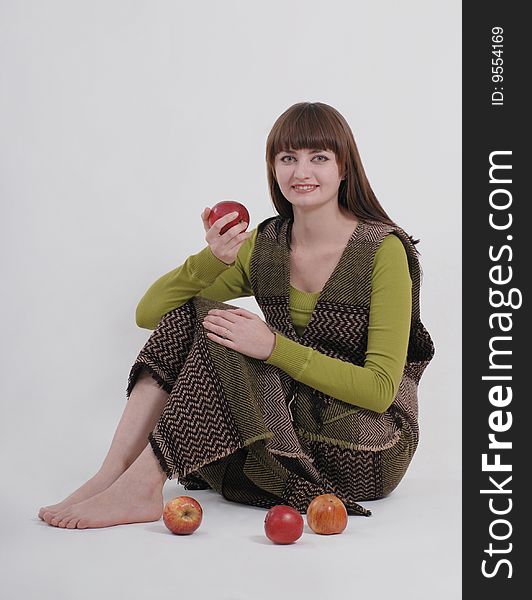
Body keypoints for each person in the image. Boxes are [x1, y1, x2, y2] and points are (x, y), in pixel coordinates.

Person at [38, 102, 434, 529]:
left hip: (364, 445)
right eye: (288, 158)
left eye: (319, 157)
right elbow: (151, 312)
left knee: (224, 332)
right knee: (197, 316)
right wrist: (211, 260)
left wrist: (273, 347)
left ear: (344, 169)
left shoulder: (383, 251)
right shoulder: (267, 245)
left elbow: (379, 390)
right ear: (273, 169)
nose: (302, 172)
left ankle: (141, 486)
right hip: (287, 425)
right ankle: (112, 476)